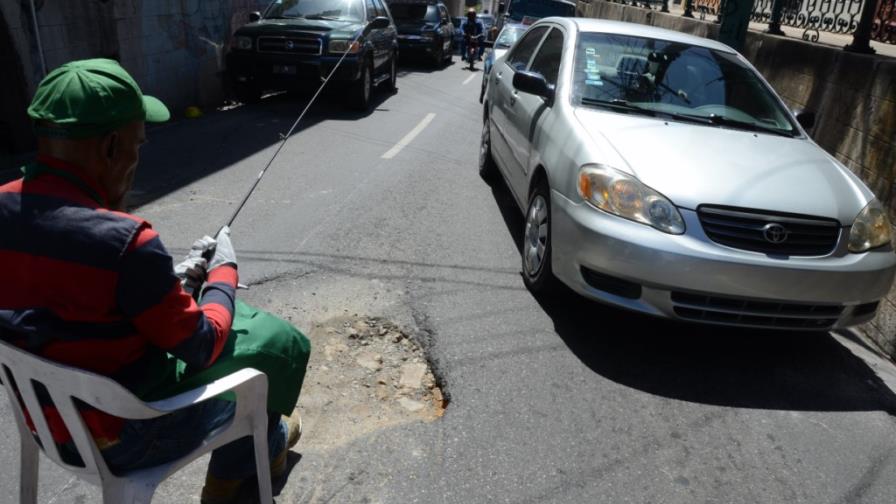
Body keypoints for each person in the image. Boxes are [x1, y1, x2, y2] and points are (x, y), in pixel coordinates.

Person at [0, 59, 311, 504]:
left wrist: (172, 281)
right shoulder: (126, 242)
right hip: (127, 437)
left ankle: (270, 441)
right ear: (110, 147)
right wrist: (223, 270)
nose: (135, 160)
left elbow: (63, 305)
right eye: (136, 146)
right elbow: (201, 345)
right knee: (272, 350)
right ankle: (244, 469)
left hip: (45, 421)